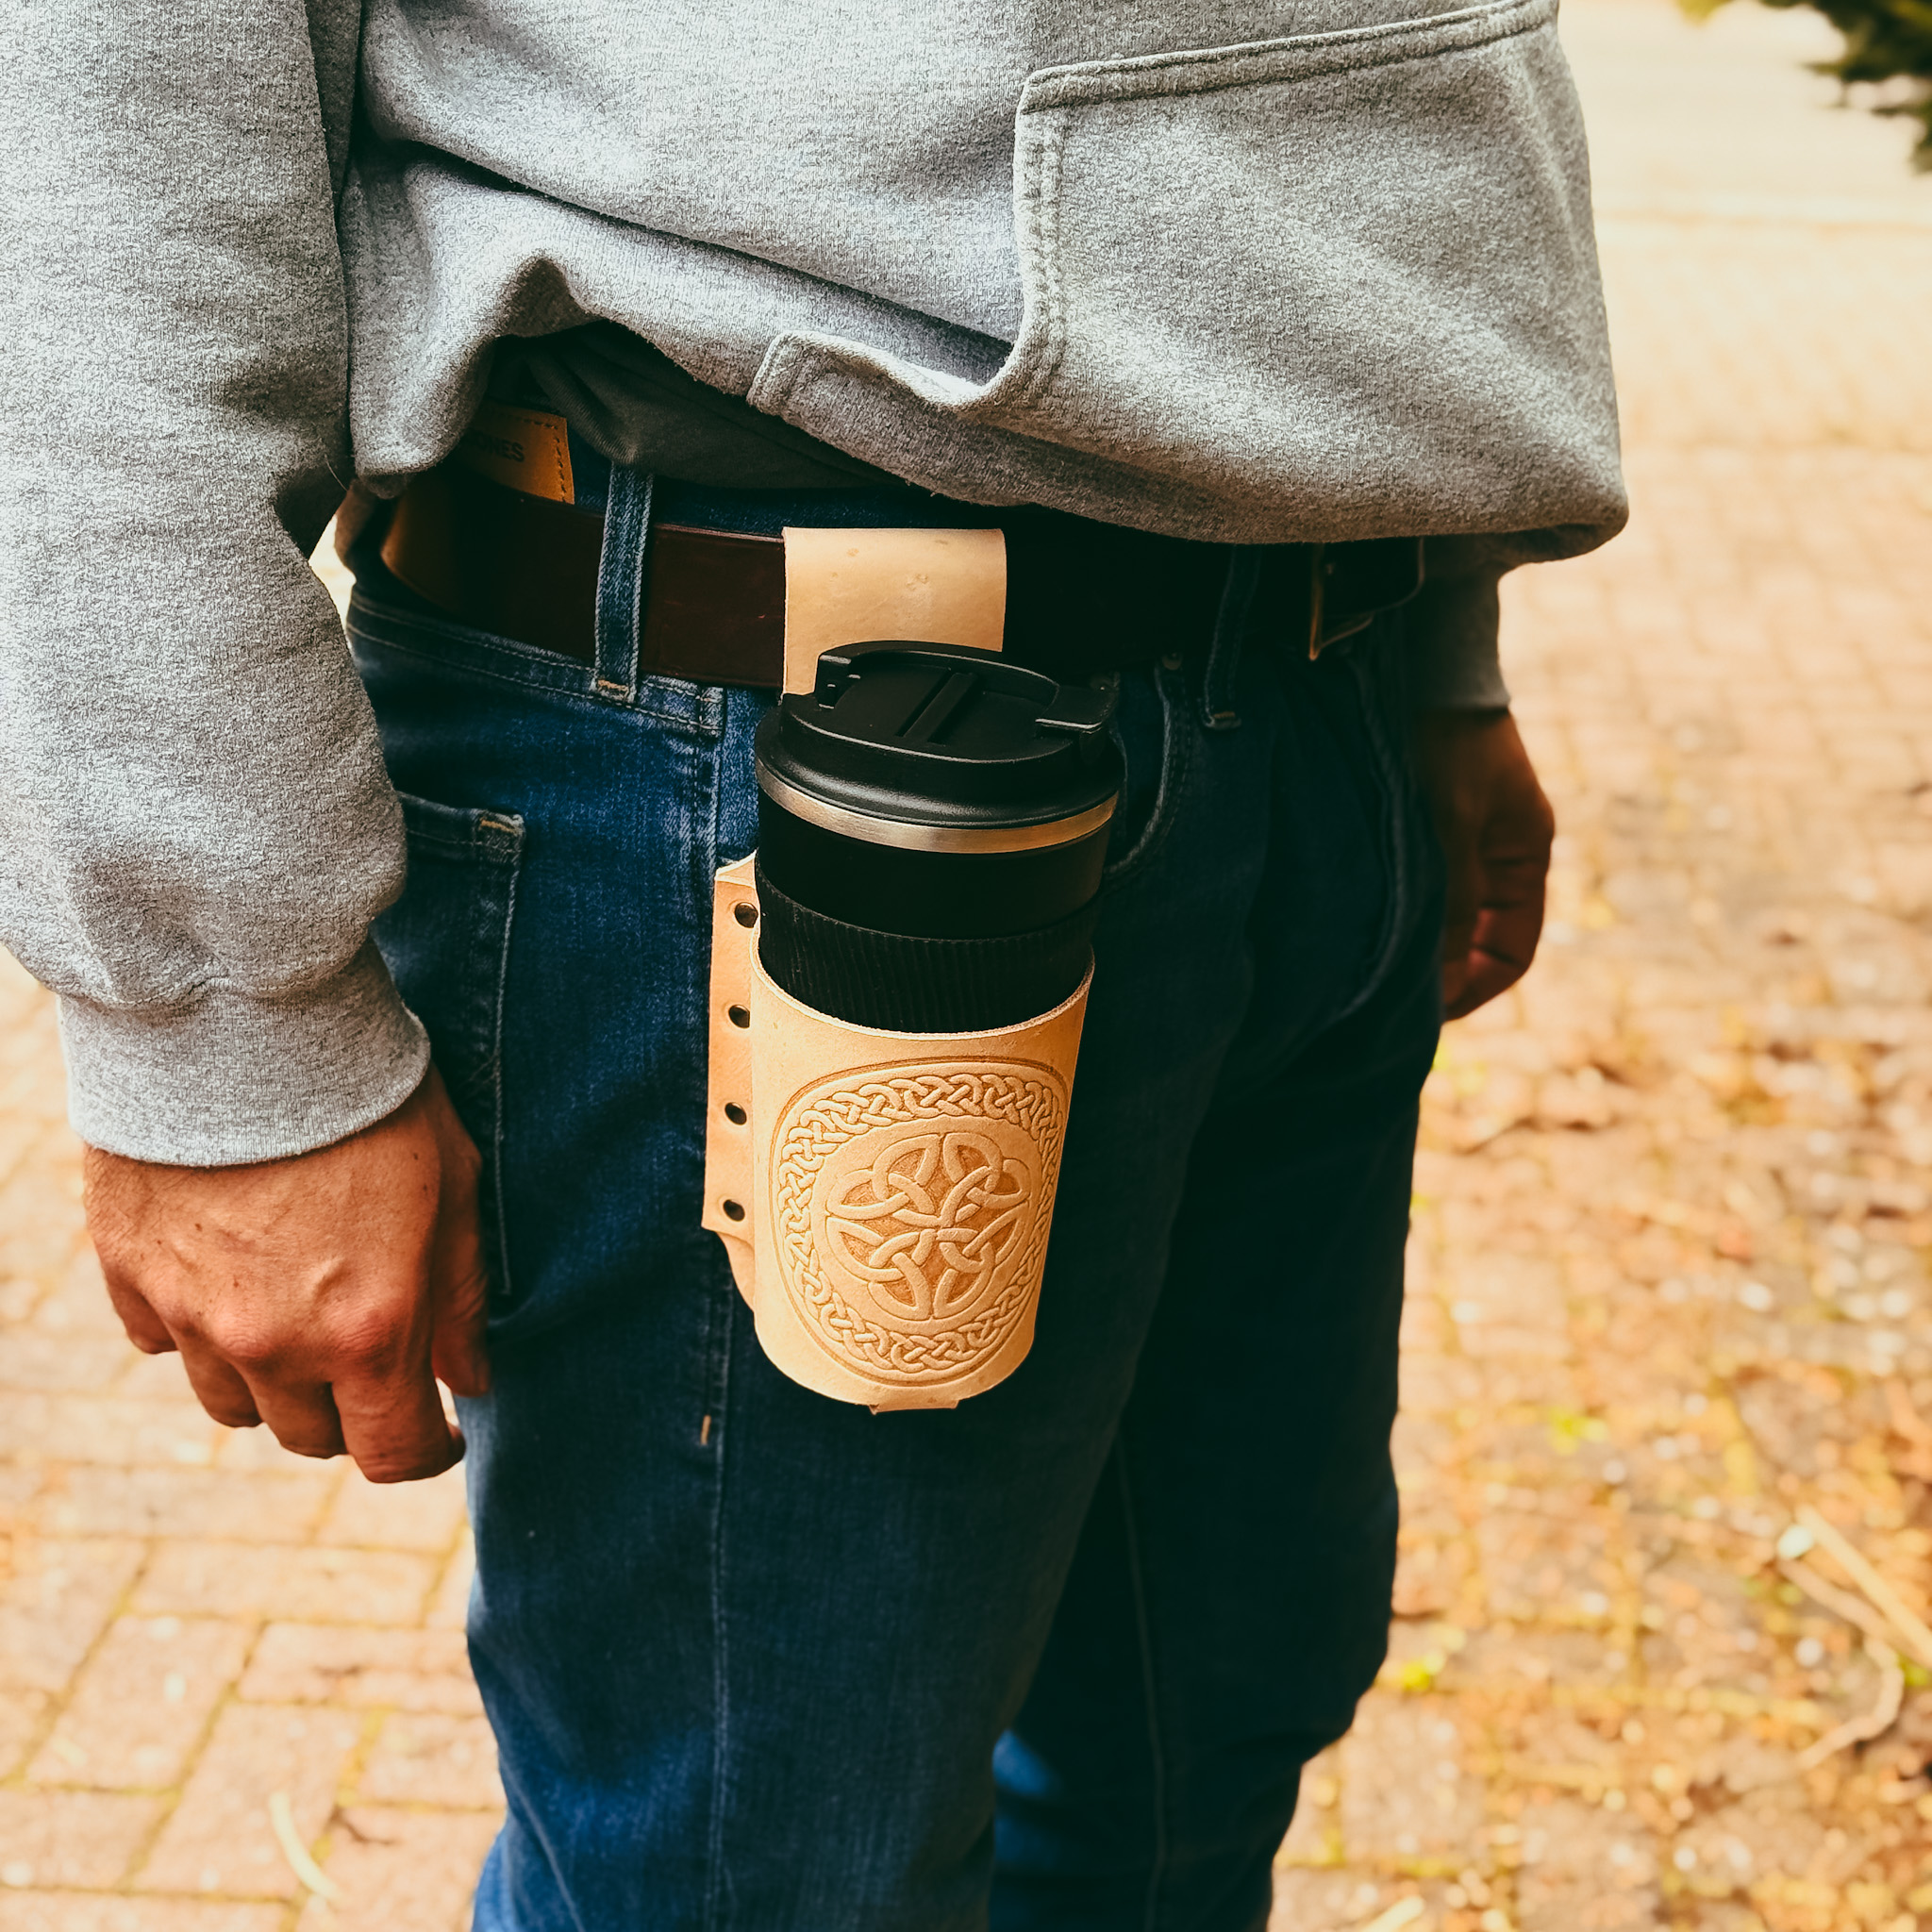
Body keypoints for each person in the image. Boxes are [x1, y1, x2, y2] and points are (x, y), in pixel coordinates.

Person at [3, 2, 1624, 1925]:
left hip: (1318, 699)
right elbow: (102, 157)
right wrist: (222, 1029)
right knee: (763, 1870)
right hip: (759, 759)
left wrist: (1436, 630)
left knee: (1193, 1750)